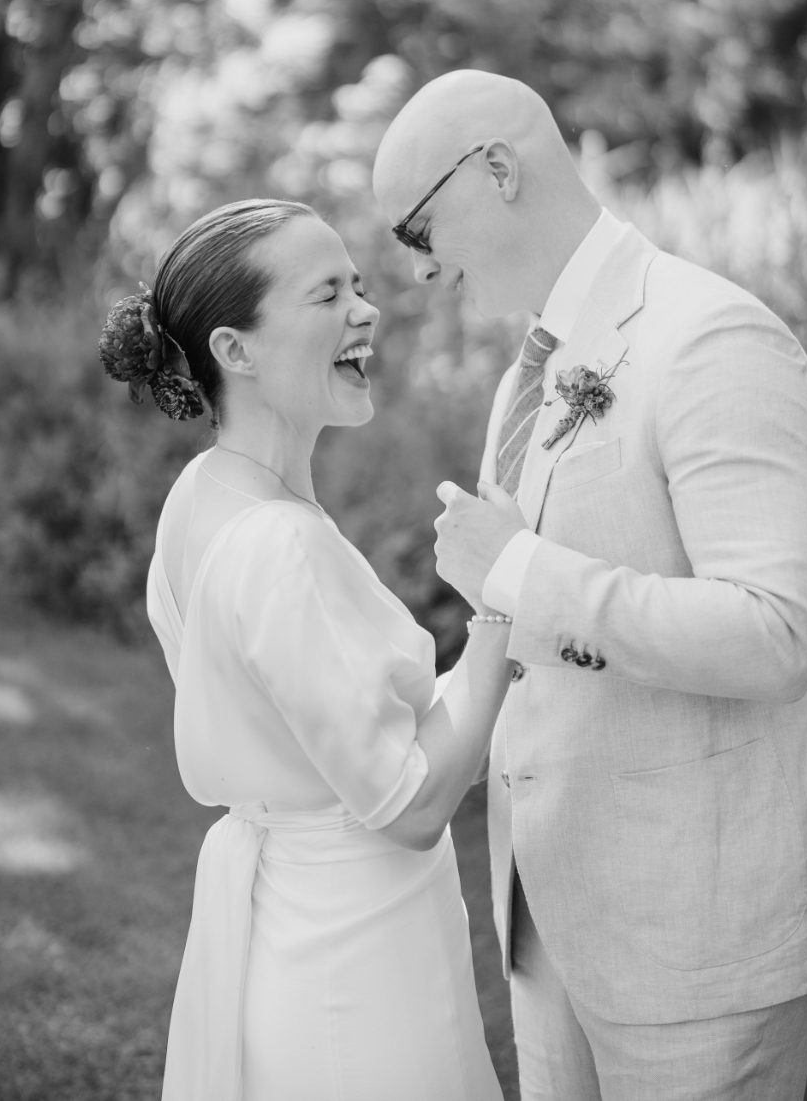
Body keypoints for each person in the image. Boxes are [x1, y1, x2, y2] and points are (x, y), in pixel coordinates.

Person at [372, 69, 807, 1101]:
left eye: (418, 229)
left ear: (494, 170)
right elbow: (528, 647)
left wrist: (522, 568)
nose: (424, 271)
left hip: (694, 936)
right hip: (546, 916)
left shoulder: (711, 337)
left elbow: (773, 634)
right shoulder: (528, 371)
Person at [98, 198, 512, 1101]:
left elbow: (314, 742)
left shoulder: (201, 499)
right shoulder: (281, 546)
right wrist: (503, 611)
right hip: (353, 964)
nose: (366, 310)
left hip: (293, 929)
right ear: (235, 351)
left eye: (358, 286)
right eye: (327, 294)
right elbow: (407, 803)